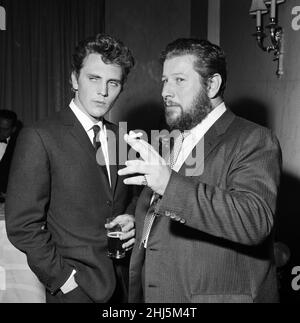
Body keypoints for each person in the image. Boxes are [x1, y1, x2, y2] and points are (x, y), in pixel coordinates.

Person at [118, 38, 282, 303]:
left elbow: (253, 220)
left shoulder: (254, 139)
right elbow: (159, 201)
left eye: (179, 80)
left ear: (212, 85)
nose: (165, 92)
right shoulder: (172, 140)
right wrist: (135, 219)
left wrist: (168, 184)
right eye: (164, 81)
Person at [5, 34, 137, 303]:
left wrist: (132, 218)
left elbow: (133, 196)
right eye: (93, 78)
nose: (103, 91)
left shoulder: (123, 138)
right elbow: (22, 225)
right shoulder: (39, 136)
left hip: (124, 286)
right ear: (75, 79)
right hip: (74, 290)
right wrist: (64, 281)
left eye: (113, 82)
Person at [0, 109, 20, 200]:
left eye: (5, 129)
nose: (0, 132)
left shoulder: (20, 146)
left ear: (13, 129)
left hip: (9, 199)